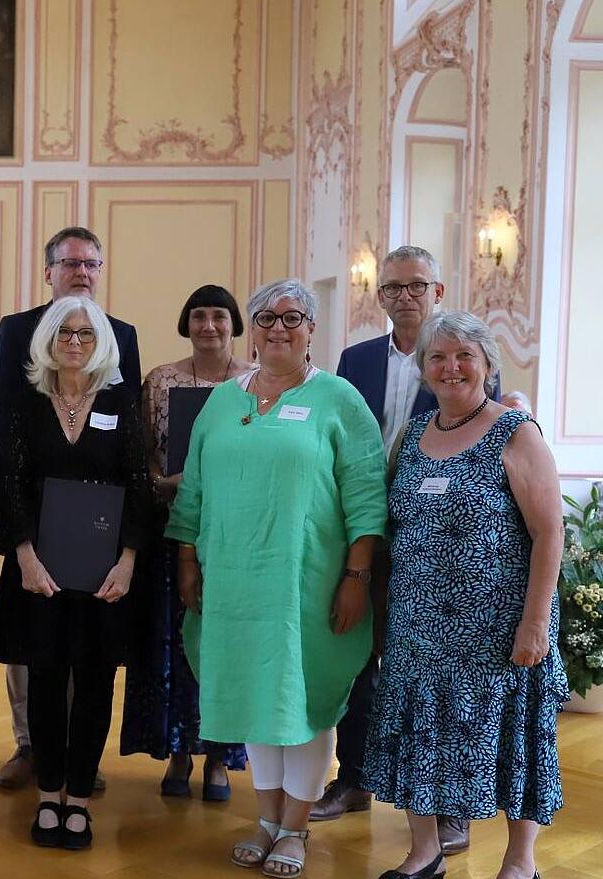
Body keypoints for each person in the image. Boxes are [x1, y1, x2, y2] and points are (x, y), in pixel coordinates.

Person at [167, 278, 387, 879]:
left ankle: (296, 828)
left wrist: (357, 576)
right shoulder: (222, 402)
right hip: (234, 584)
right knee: (252, 694)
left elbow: (366, 498)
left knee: (305, 699)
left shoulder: (337, 399)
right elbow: (193, 491)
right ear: (252, 328)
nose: (279, 329)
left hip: (307, 584)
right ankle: (266, 819)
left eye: (293, 318)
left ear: (312, 329)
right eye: (266, 318)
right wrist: (187, 561)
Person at [363, 311, 566, 879]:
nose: (451, 367)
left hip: (496, 627)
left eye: (464, 356)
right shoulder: (413, 433)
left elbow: (550, 532)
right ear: (424, 370)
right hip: (418, 626)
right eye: (437, 357)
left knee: (513, 737)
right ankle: (425, 852)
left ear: (487, 365)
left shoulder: (515, 431)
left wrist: (535, 624)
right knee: (420, 738)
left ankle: (520, 861)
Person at [323, 246, 494, 851]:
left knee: (442, 674)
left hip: (440, 542)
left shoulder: (458, 359)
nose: (403, 296)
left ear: (438, 291)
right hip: (368, 530)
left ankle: (452, 805)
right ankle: (355, 778)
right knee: (358, 660)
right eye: (392, 287)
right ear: (381, 296)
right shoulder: (355, 359)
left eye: (415, 285)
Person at [0, 226, 141, 791]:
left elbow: (130, 436)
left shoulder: (120, 333)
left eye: (91, 263)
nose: (81, 272)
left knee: (90, 652)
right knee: (38, 650)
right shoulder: (19, 329)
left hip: (97, 529)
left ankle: (79, 759)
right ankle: (32, 748)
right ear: (48, 270)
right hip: (34, 507)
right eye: (70, 263)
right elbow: (4, 416)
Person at [121, 285, 250, 801]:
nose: (209, 326)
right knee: (171, 643)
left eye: (219, 316)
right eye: (199, 316)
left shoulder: (253, 382)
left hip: (237, 540)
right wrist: (167, 482)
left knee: (223, 646)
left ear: (234, 323)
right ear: (186, 323)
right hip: (171, 531)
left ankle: (219, 757)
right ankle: (176, 751)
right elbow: (143, 455)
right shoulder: (160, 381)